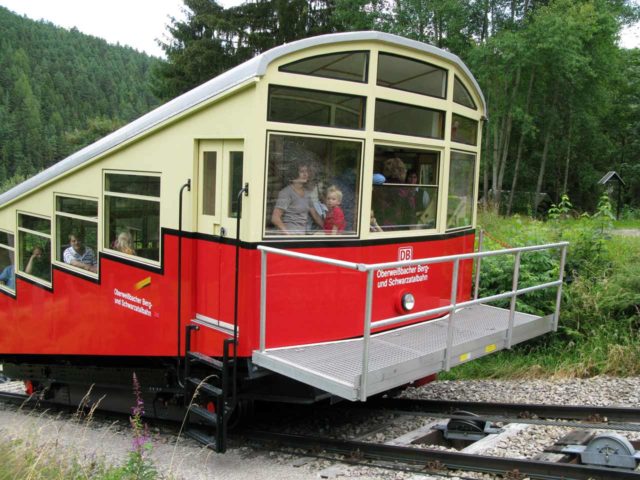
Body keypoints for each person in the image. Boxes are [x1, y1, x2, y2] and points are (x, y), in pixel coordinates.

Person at [271, 161, 324, 235]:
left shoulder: (307, 193)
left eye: (307, 171)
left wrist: (328, 229)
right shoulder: (286, 192)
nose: (305, 174)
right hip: (288, 238)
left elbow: (315, 215)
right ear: (294, 174)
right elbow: (275, 218)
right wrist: (288, 235)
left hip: (300, 237)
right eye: (302, 171)